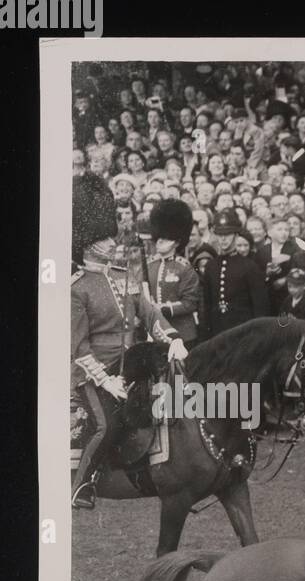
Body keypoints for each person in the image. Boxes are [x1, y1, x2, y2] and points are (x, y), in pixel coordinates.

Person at [71, 173, 188, 510]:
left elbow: (150, 316)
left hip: (130, 364)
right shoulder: (78, 288)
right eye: (105, 237)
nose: (113, 241)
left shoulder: (127, 277)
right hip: (95, 373)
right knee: (106, 425)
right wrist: (106, 380)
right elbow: (78, 348)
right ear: (90, 242)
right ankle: (81, 487)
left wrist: (174, 338)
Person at [199, 207, 270, 340]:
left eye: (227, 234)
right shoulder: (211, 266)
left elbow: (260, 307)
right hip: (217, 330)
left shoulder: (249, 266)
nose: (223, 239)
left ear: (236, 235)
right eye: (220, 235)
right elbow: (207, 305)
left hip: (243, 332)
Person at [145, 198, 200, 343]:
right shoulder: (150, 265)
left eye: (165, 238)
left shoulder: (184, 267)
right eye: (159, 237)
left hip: (182, 332)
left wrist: (163, 309)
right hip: (157, 332)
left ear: (176, 241)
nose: (159, 241)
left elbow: (190, 302)